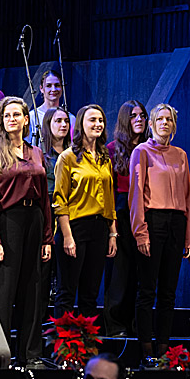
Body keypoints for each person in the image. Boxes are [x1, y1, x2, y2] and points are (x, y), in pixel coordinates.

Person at [0, 97, 52, 367]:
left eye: (17, 114)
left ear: (26, 119)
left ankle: (30, 354)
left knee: (33, 290)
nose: (12, 119)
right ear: (1, 120)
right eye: (7, 115)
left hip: (34, 219)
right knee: (5, 290)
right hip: (8, 221)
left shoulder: (36, 152)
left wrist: (47, 237)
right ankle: (0, 354)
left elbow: (45, 198)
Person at [130, 103, 190, 366]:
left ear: (174, 125)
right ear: (152, 123)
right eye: (160, 119)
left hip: (177, 223)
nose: (164, 123)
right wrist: (140, 232)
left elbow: (188, 199)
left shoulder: (181, 155)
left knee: (168, 292)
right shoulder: (141, 151)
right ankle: (146, 351)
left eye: (169, 119)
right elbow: (136, 193)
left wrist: (189, 237)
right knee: (147, 290)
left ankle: (164, 352)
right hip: (153, 221)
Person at [53, 104, 118, 319]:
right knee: (67, 292)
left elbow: (109, 199)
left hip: (99, 228)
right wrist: (68, 237)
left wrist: (112, 233)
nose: (98, 124)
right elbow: (60, 200)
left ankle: (85, 347)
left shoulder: (105, 157)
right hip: (75, 228)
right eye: (92, 120)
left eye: (100, 120)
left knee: (90, 295)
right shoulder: (67, 157)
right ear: (80, 123)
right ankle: (64, 348)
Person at [103, 100, 148, 337]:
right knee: (120, 270)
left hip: (145, 212)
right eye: (133, 116)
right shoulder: (111, 149)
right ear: (124, 120)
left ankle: (134, 324)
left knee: (140, 272)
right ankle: (116, 325)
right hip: (120, 210)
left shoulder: (151, 148)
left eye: (142, 115)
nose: (139, 119)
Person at [38, 106, 71, 323]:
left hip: (67, 214)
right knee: (43, 271)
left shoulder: (74, 154)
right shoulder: (40, 153)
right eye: (58, 121)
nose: (63, 125)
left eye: (66, 121)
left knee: (64, 276)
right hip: (47, 211)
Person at [30, 69, 75, 144]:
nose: (53, 89)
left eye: (57, 85)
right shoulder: (32, 117)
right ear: (41, 89)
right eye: (49, 86)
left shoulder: (70, 118)